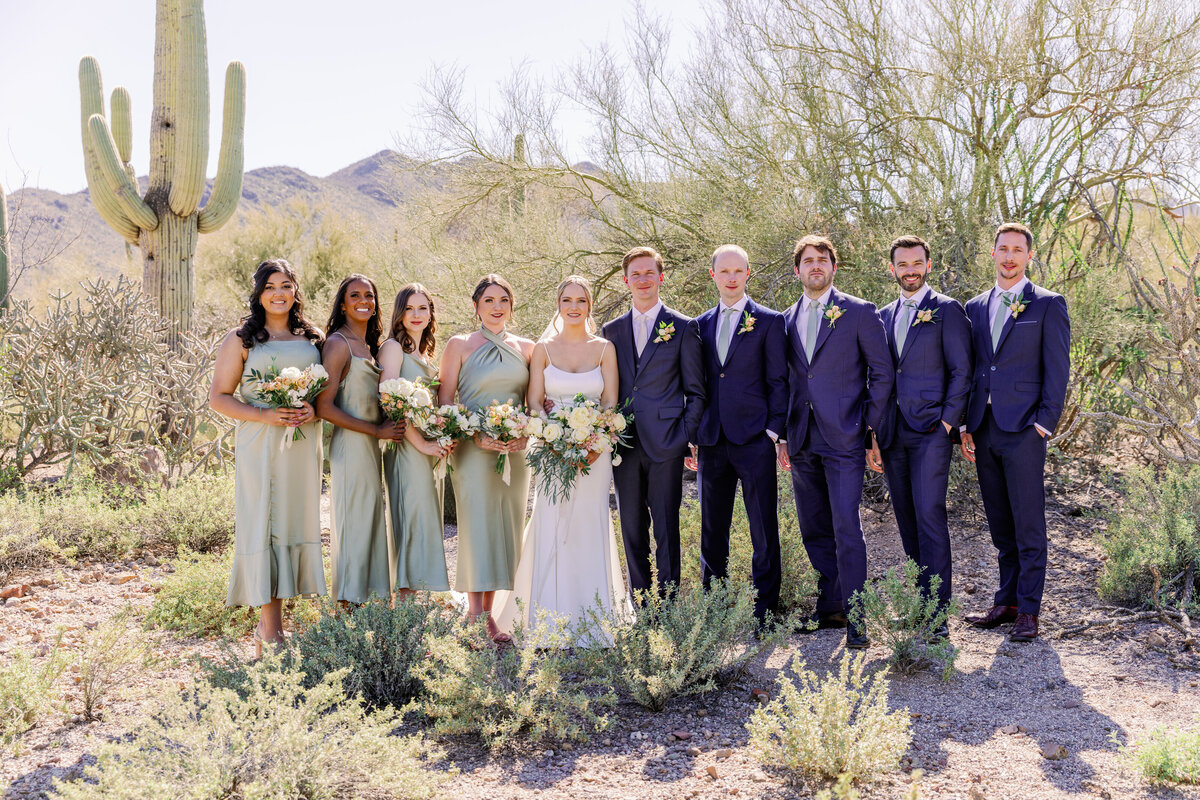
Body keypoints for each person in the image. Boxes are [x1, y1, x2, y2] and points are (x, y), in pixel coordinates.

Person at [495, 276, 632, 635]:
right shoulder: (543, 349)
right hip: (552, 451)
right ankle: (544, 621)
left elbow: (609, 403)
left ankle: (595, 621)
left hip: (594, 455)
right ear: (558, 304)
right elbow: (535, 403)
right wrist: (556, 443)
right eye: (567, 300)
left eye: (581, 300)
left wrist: (591, 446)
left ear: (590, 305)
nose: (574, 306)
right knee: (551, 523)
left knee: (590, 525)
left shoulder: (604, 348)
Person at [779, 235, 893, 649]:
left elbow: (881, 373)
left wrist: (868, 427)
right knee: (813, 527)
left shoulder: (859, 312)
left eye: (822, 260)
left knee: (847, 526)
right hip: (802, 436)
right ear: (797, 270)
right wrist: (782, 435)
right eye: (807, 261)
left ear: (833, 267)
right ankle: (830, 606)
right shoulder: (785, 319)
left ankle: (858, 616)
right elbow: (787, 380)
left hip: (845, 435)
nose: (815, 267)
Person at [209, 259, 326, 655]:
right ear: (259, 293)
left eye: (287, 285)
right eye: (271, 286)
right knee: (265, 523)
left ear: (296, 291)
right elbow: (219, 398)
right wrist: (263, 412)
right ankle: (271, 629)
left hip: (303, 444)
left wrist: (313, 410)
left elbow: (324, 395)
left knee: (292, 522)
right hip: (260, 444)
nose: (279, 293)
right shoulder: (242, 340)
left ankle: (269, 627)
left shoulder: (313, 338)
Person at [960, 222, 1070, 642]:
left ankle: (1029, 609)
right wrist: (968, 424)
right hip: (984, 428)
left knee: (1028, 523)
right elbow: (973, 368)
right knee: (1000, 523)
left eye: (1017, 250)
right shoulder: (974, 307)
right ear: (992, 253)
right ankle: (1004, 603)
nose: (1009, 257)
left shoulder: (1046, 304)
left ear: (1029, 255)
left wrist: (1043, 424)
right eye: (1002, 249)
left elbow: (1057, 371)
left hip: (1025, 428)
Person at [867, 236, 972, 635]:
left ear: (928, 265)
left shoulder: (946, 310)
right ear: (891, 268)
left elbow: (962, 371)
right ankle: (919, 602)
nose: (910, 270)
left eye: (916, 263)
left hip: (930, 429)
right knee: (906, 518)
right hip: (893, 432)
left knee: (929, 514)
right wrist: (873, 432)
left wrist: (948, 423)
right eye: (902, 264)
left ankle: (938, 614)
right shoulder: (883, 314)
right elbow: (879, 376)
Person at [689, 245, 787, 626]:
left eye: (738, 270)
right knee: (713, 528)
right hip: (712, 440)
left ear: (748, 274)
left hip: (754, 439)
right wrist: (693, 432)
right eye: (724, 271)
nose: (731, 277)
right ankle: (715, 609)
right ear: (713, 275)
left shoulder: (768, 321)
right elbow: (695, 384)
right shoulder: (699, 325)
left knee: (763, 526)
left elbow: (779, 382)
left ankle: (766, 611)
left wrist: (772, 432)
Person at [601, 247, 705, 595]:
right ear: (625, 280)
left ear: (661, 277)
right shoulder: (610, 331)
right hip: (624, 444)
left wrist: (684, 436)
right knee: (631, 526)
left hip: (667, 443)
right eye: (636, 274)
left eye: (650, 273)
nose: (643, 279)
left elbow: (696, 390)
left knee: (666, 526)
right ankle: (641, 603)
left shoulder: (683, 326)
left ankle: (670, 602)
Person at [438, 274, 534, 643]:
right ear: (476, 306)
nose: (497, 307)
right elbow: (446, 400)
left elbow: (532, 402)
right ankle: (474, 614)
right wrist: (476, 432)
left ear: (512, 306)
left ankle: (488, 614)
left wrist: (522, 434)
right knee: (477, 526)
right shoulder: (459, 345)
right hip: (472, 449)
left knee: (506, 527)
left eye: (504, 300)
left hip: (513, 453)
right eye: (489, 301)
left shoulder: (527, 347)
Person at [315, 274, 404, 606]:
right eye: (355, 295)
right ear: (343, 303)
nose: (364, 300)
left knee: (368, 517)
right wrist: (377, 431)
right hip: (351, 445)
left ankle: (371, 603)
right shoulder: (338, 344)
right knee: (354, 521)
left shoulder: (369, 346)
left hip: (369, 444)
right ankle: (349, 605)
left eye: (370, 295)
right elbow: (324, 407)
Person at [378, 283, 452, 597]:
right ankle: (405, 608)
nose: (417, 314)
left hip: (429, 449)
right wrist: (421, 444)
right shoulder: (393, 347)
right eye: (410, 308)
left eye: (423, 308)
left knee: (424, 520)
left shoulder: (426, 353)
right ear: (400, 313)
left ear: (431, 313)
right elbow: (389, 398)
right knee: (410, 518)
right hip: (406, 448)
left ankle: (416, 607)